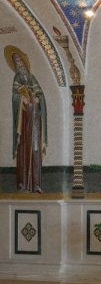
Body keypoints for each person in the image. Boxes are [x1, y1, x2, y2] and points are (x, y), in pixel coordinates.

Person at [11, 52, 47, 193]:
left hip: (35, 121)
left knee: (35, 150)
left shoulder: (32, 78)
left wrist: (37, 100)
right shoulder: (17, 78)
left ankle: (36, 185)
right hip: (24, 122)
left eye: (20, 61)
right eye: (16, 62)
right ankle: (23, 184)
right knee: (24, 151)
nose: (19, 64)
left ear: (25, 62)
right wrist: (22, 100)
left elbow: (41, 96)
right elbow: (15, 96)